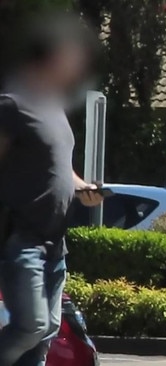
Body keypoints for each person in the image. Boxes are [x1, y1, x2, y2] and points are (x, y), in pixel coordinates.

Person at [0, 13, 103, 366]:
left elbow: (59, 169)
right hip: (23, 241)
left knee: (45, 334)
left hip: (55, 243)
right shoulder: (11, 105)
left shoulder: (54, 109)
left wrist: (83, 187)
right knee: (32, 326)